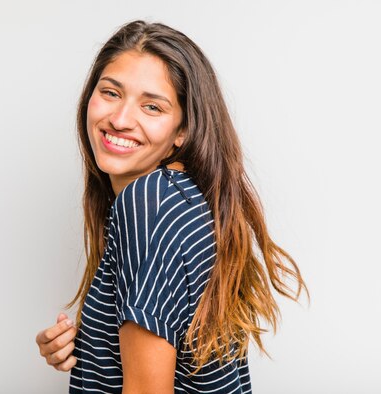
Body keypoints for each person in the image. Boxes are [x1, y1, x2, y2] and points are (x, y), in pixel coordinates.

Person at [35, 20, 307, 393]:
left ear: (183, 131)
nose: (120, 119)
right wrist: (91, 348)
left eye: (152, 106)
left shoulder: (149, 204)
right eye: (111, 92)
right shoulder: (181, 197)